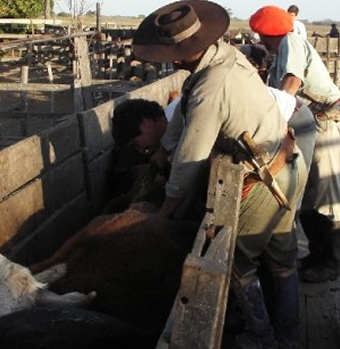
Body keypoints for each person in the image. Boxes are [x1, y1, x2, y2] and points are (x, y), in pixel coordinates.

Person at [132, 1, 308, 348]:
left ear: (179, 56)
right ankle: (289, 333)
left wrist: (165, 212)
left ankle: (264, 338)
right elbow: (185, 110)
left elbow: (192, 156)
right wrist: (164, 148)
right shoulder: (223, 55)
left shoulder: (212, 88)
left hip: (263, 181)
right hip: (287, 162)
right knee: (280, 256)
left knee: (238, 263)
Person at [250, 5, 340, 284]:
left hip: (327, 122)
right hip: (313, 124)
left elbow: (293, 82)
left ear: (265, 33)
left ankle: (330, 264)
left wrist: (276, 119)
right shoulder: (285, 47)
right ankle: (317, 258)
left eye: (261, 35)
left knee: (326, 194)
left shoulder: (290, 43)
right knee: (309, 193)